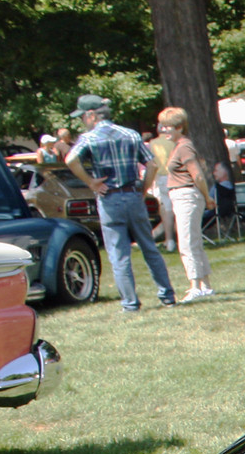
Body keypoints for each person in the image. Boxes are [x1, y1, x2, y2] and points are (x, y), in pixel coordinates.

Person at [64, 94, 175, 311]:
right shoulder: (131, 134)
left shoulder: (89, 138)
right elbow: (151, 165)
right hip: (133, 194)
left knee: (119, 253)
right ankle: (167, 296)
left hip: (109, 198)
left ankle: (130, 303)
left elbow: (70, 159)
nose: (82, 122)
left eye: (82, 117)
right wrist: (142, 190)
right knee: (149, 248)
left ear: (91, 115)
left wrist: (91, 182)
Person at [157, 107, 213, 302]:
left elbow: (197, 174)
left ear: (180, 127)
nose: (163, 130)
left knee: (187, 243)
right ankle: (205, 286)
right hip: (184, 196)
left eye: (167, 127)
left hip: (187, 196)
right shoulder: (179, 145)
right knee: (195, 242)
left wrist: (207, 197)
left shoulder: (184, 147)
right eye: (162, 126)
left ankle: (195, 285)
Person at [147, 121, 176, 251]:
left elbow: (153, 164)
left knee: (166, 209)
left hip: (163, 177)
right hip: (178, 177)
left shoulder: (154, 144)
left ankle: (169, 240)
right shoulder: (175, 141)